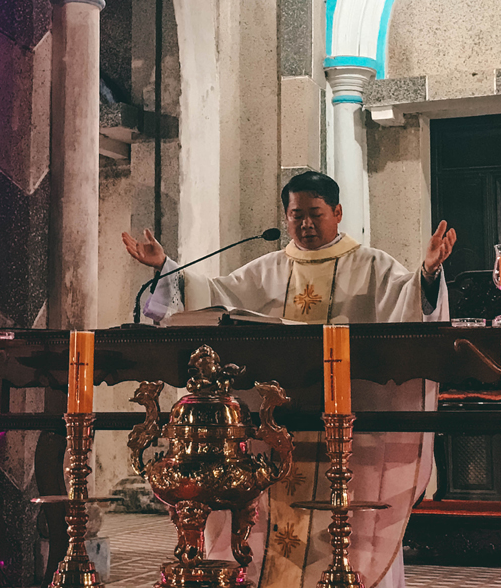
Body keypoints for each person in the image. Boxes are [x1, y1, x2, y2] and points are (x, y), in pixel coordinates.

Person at [122, 171, 456, 588]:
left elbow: (408, 302)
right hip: (276, 430)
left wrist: (427, 274)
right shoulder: (266, 270)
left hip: (348, 429)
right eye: (297, 215)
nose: (306, 224)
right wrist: (166, 268)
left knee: (345, 525)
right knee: (270, 526)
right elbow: (213, 297)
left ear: (337, 212)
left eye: (316, 214)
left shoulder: (373, 266)